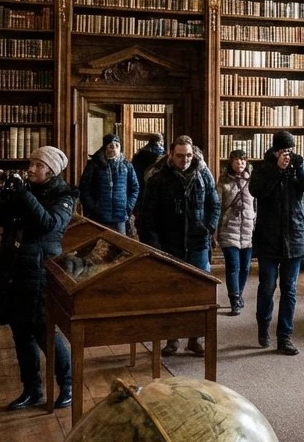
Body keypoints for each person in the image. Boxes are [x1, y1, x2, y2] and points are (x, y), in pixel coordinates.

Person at [0, 146, 76, 410]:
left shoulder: (65, 196)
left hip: (41, 269)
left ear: (52, 170)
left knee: (44, 331)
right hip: (14, 269)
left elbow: (48, 224)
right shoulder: (26, 191)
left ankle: (68, 385)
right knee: (20, 332)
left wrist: (22, 194)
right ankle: (32, 389)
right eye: (31, 163)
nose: (31, 169)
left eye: (38, 165)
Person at [139, 135, 220, 356]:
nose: (184, 160)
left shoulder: (204, 176)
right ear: (171, 155)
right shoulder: (158, 179)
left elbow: (215, 204)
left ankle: (195, 339)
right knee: (171, 295)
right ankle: (172, 338)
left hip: (197, 243)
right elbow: (147, 216)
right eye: (180, 156)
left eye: (188, 155)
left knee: (199, 294)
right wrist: (154, 246)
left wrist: (208, 226)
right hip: (169, 245)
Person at [249, 131, 304, 355]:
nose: (286, 155)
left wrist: (300, 170)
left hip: (295, 235)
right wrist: (277, 170)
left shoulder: (300, 166)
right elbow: (256, 191)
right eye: (282, 151)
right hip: (268, 238)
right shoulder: (262, 168)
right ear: (275, 151)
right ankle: (263, 326)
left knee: (289, 290)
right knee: (267, 287)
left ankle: (285, 337)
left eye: (289, 150)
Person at [216, 149, 256, 317]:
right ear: (230, 163)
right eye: (236, 160)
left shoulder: (253, 182)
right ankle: (234, 299)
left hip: (248, 228)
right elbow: (217, 206)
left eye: (242, 160)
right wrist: (215, 229)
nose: (240, 163)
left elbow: (256, 205)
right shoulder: (223, 182)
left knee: (245, 267)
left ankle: (239, 295)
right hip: (229, 228)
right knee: (233, 266)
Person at [77, 133, 139, 234]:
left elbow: (135, 188)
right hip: (98, 216)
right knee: (90, 246)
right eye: (111, 146)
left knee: (120, 246)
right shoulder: (94, 164)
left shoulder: (126, 165)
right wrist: (92, 207)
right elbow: (84, 187)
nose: (114, 148)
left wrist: (128, 206)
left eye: (117, 146)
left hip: (120, 216)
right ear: (105, 147)